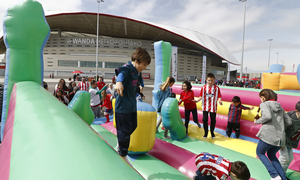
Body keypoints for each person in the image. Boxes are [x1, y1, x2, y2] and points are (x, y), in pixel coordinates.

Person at [114, 47, 151, 164]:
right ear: (136, 61)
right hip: (123, 107)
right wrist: (119, 82)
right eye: (144, 65)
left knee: (133, 126)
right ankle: (123, 155)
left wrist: (141, 86)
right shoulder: (128, 68)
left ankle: (120, 140)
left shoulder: (138, 71)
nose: (145, 68)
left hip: (132, 105)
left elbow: (139, 80)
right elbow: (120, 74)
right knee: (125, 132)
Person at [254, 89, 292, 180]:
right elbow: (289, 122)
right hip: (280, 139)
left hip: (268, 137)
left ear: (263, 98)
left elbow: (267, 116)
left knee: (260, 152)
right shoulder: (280, 107)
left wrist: (257, 121)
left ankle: (274, 175)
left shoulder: (264, 104)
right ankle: (283, 178)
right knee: (271, 155)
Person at [194, 73, 222, 139]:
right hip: (205, 106)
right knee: (204, 119)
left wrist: (220, 100)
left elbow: (219, 96)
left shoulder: (217, 88)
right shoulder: (203, 88)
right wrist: (197, 100)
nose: (210, 82)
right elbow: (200, 96)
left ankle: (212, 132)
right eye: (209, 80)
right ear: (206, 80)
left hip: (213, 107)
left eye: (212, 80)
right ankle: (206, 132)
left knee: (213, 120)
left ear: (214, 80)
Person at [279, 101, 300, 175]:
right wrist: (281, 143)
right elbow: (280, 130)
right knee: (284, 159)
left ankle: (282, 174)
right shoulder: (289, 119)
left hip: (290, 141)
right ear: (297, 111)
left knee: (290, 158)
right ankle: (277, 175)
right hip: (283, 141)